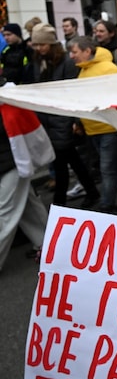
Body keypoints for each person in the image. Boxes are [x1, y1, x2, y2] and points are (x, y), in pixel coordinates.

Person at [30, 24, 100, 208]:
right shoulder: (38, 62)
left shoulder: (66, 64)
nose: (38, 49)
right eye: (36, 45)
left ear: (51, 44)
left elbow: (72, 93)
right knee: (73, 160)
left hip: (62, 118)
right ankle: (92, 192)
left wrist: (74, 121)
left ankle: (58, 204)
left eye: (42, 45)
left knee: (61, 163)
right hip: (47, 118)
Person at [67, 36, 117, 211]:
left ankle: (106, 205)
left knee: (107, 168)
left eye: (74, 52)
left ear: (87, 51)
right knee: (115, 165)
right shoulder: (83, 71)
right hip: (93, 129)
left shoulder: (108, 69)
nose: (71, 56)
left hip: (109, 127)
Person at [0, 103, 51, 269]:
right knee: (28, 205)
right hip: (10, 161)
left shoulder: (7, 99)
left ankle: (48, 244)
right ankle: (47, 244)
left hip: (10, 162)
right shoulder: (8, 99)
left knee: (4, 212)